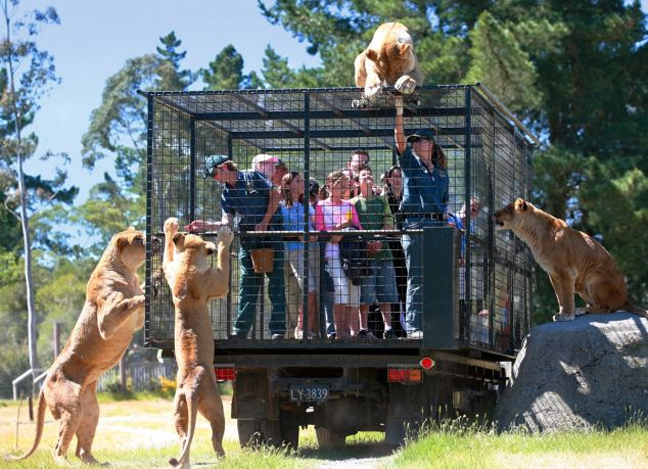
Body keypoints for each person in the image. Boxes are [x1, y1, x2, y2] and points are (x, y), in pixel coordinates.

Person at [185, 155, 286, 339]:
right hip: (248, 240)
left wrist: (265, 222)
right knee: (247, 285)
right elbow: (227, 223)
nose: (215, 178)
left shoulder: (252, 177)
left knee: (276, 283)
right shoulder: (226, 193)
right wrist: (205, 225)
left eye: (214, 173)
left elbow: (276, 195)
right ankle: (240, 331)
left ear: (224, 167)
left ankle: (278, 330)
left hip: (271, 233)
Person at [394, 96, 450, 339]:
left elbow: (445, 204)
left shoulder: (442, 174)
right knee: (416, 278)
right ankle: (414, 327)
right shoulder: (410, 165)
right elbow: (399, 139)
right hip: (415, 226)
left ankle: (435, 325)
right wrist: (399, 109)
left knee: (435, 280)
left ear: (431, 144)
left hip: (437, 227)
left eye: (421, 140)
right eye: (414, 141)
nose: (416, 144)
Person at [350, 166, 398, 339]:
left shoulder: (382, 200)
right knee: (366, 294)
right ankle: (363, 328)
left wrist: (378, 238)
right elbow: (353, 226)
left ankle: (389, 328)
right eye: (364, 175)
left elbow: (389, 221)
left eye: (370, 174)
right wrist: (366, 242)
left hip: (384, 253)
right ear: (357, 182)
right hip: (365, 255)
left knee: (387, 292)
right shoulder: (353, 203)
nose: (368, 176)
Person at [315, 170, 363, 339]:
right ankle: (339, 330)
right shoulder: (321, 206)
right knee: (341, 289)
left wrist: (339, 232)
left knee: (350, 292)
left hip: (349, 255)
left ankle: (348, 330)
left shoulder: (349, 205)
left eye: (345, 183)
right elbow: (321, 231)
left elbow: (358, 228)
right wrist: (341, 227)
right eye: (340, 183)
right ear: (329, 185)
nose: (344, 186)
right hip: (331, 254)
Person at [279, 172, 319, 339]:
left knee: (315, 290)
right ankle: (300, 329)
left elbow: (316, 226)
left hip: (313, 249)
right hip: (293, 250)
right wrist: (298, 236)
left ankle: (309, 330)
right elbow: (279, 231)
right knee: (307, 289)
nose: (303, 183)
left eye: (303, 180)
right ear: (287, 185)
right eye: (298, 180)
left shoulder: (306, 205)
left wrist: (314, 235)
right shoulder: (280, 206)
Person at [381, 165, 407, 333]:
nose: (397, 179)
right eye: (394, 176)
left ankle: (407, 326)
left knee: (405, 285)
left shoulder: (408, 198)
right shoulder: (385, 199)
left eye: (400, 176)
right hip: (390, 247)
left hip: (405, 247)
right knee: (392, 287)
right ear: (388, 180)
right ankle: (394, 327)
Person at [309, 178, 336, 339]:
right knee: (311, 294)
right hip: (308, 257)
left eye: (313, 196)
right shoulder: (303, 209)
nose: (312, 199)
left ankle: (330, 330)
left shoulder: (323, 207)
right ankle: (313, 331)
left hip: (326, 256)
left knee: (328, 293)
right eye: (309, 196)